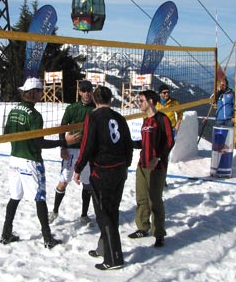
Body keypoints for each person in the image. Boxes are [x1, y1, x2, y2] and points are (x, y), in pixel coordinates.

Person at [0, 77, 80, 249]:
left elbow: (6, 132)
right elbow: (39, 143)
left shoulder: (14, 110)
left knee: (14, 198)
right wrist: (63, 142)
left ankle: (6, 233)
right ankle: (47, 238)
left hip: (14, 159)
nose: (42, 94)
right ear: (34, 93)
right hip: (30, 161)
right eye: (40, 91)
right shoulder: (35, 116)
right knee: (40, 199)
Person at [73, 86, 133, 270]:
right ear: (111, 100)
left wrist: (78, 168)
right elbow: (128, 143)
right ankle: (103, 248)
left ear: (95, 100)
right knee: (112, 210)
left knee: (103, 214)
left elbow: (87, 144)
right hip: (119, 169)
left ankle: (114, 258)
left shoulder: (93, 116)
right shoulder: (119, 117)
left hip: (102, 170)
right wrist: (126, 164)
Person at [128, 90, 174, 248]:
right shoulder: (145, 121)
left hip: (157, 166)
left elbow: (169, 142)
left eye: (141, 100)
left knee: (155, 201)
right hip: (142, 164)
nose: (139, 103)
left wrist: (158, 157)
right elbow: (144, 142)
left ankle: (159, 233)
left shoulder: (162, 119)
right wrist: (130, 144)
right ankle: (142, 227)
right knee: (141, 199)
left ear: (151, 101)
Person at [49, 80, 96, 225]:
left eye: (89, 90)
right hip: (71, 150)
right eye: (84, 90)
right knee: (63, 182)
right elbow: (62, 127)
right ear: (80, 92)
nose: (87, 93)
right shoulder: (72, 108)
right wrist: (63, 146)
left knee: (87, 184)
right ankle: (55, 211)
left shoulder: (95, 108)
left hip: (87, 151)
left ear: (91, 91)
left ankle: (84, 215)